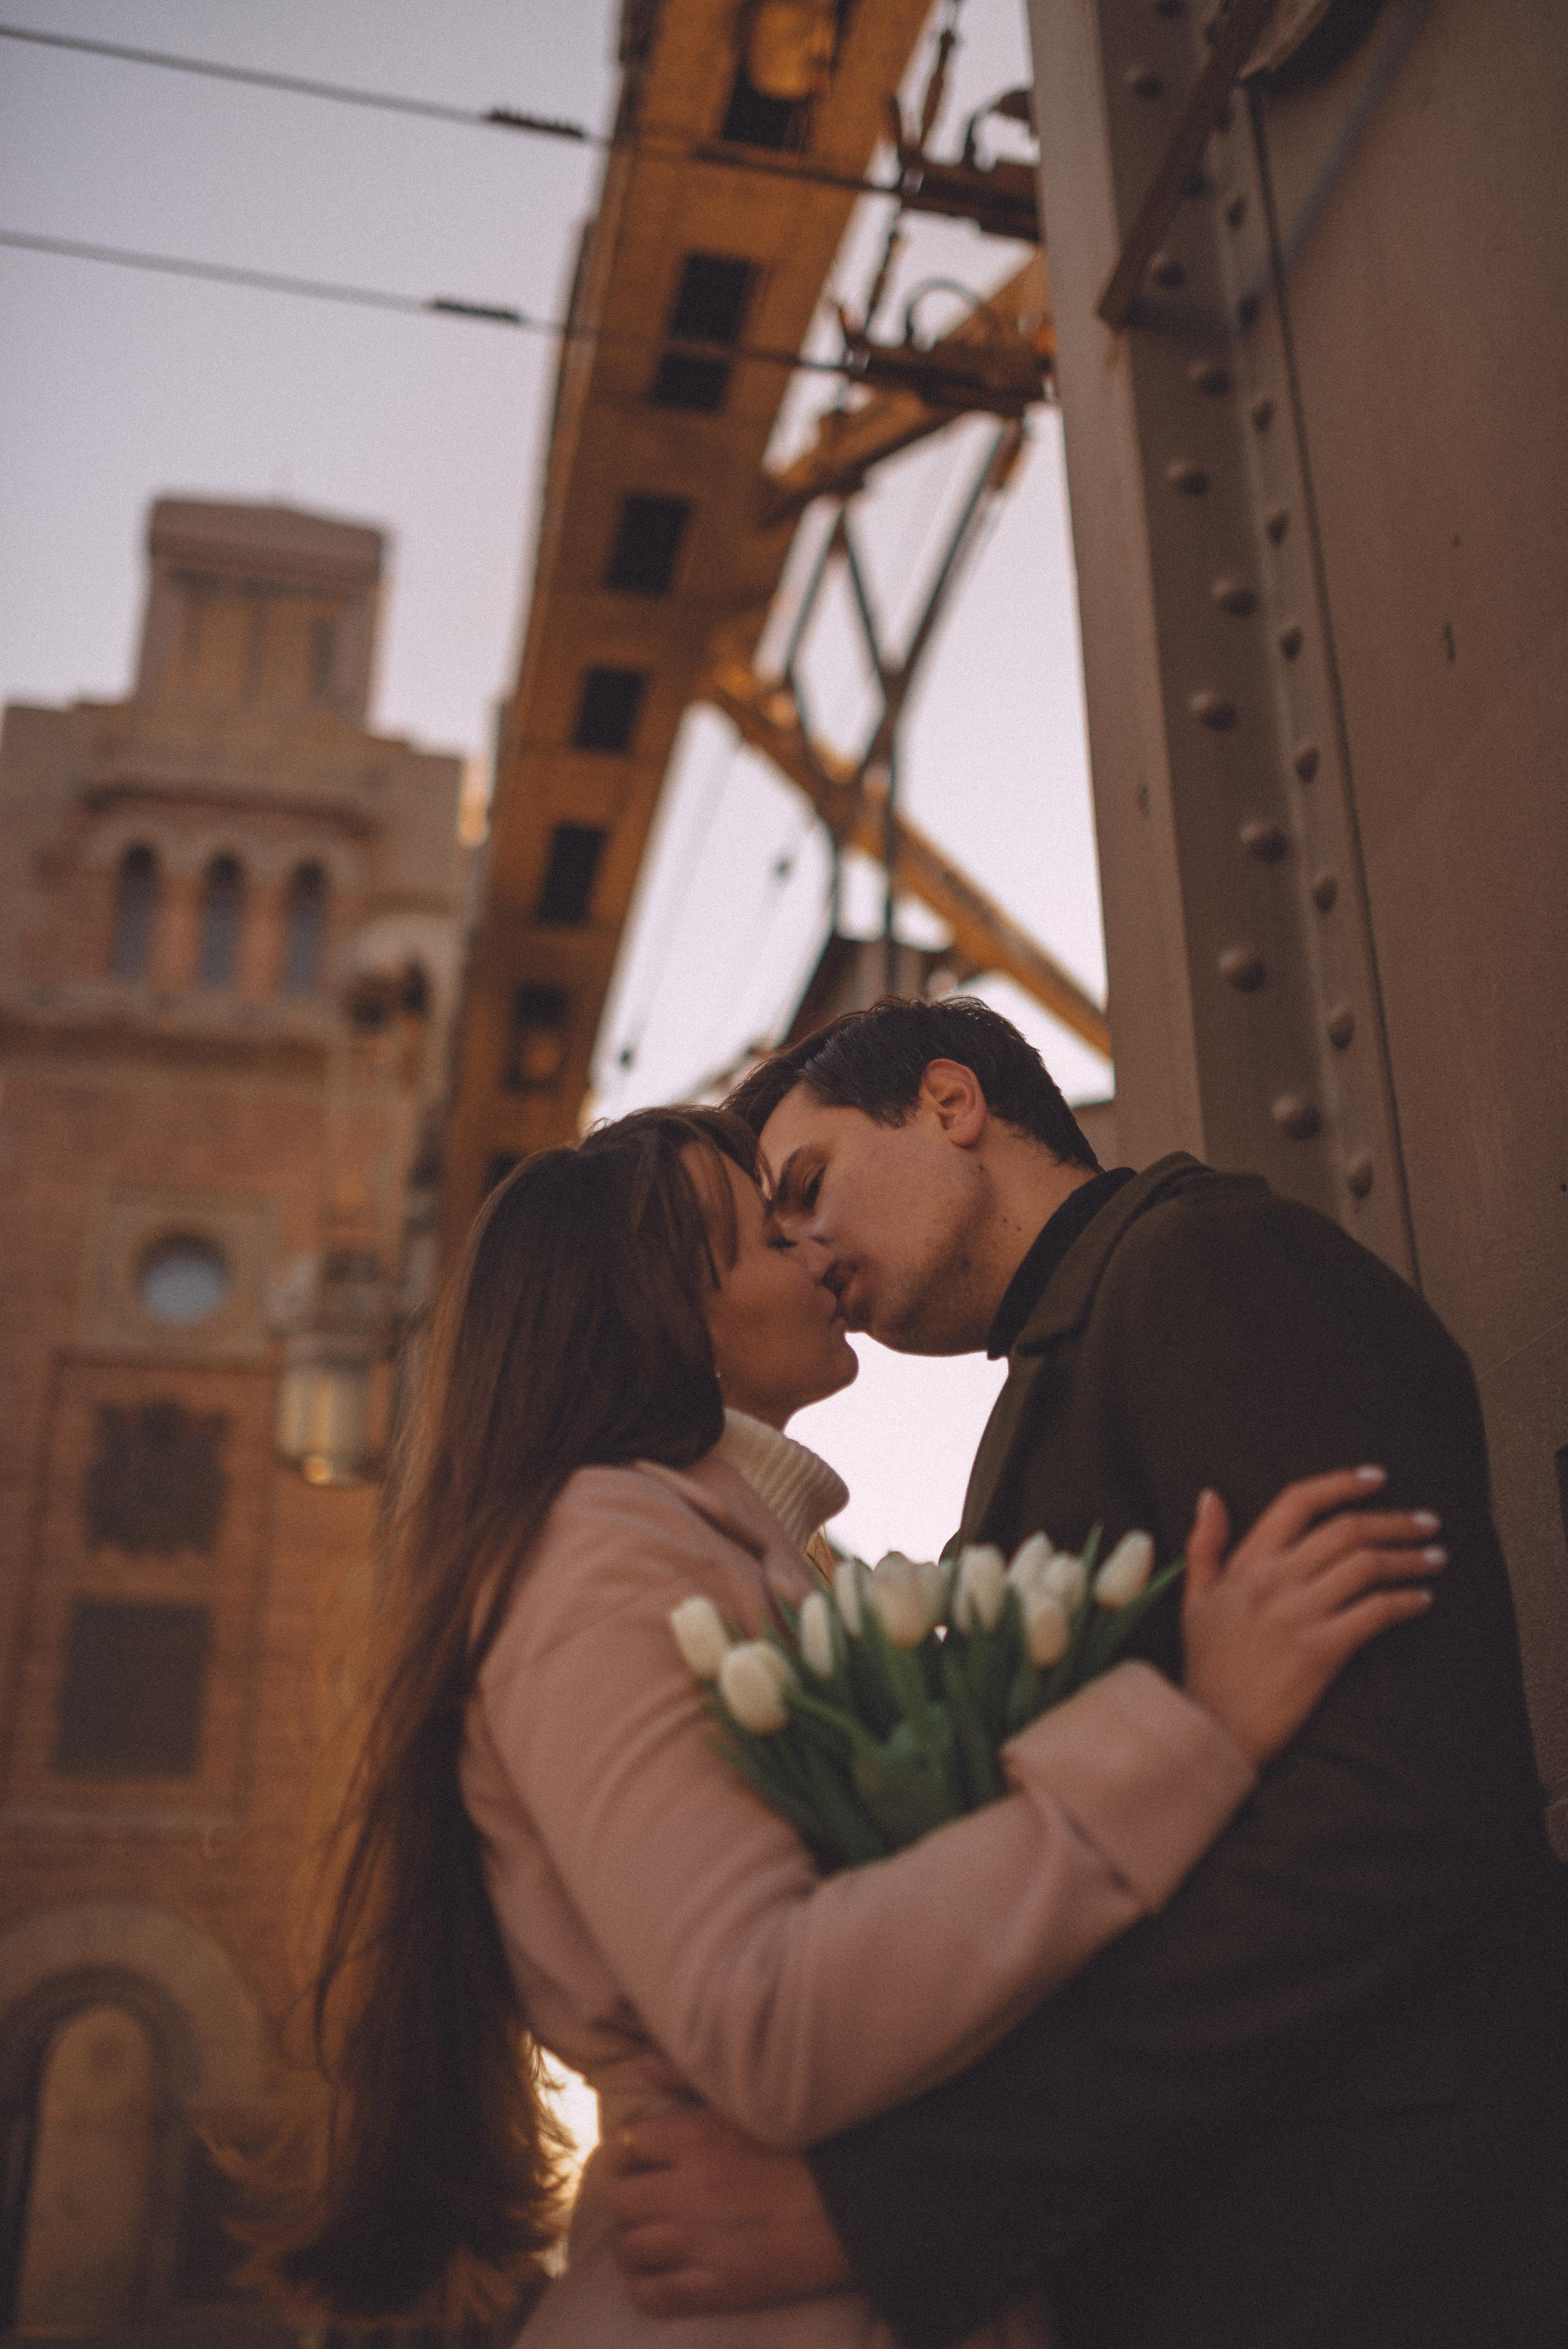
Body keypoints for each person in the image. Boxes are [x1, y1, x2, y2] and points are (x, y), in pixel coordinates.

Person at [243, 1103, 1438, 2343]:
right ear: (666, 1308)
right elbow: (761, 2008)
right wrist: (1199, 1732)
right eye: (769, 1233)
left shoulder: (718, 1553)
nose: (814, 1252)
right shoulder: (599, 1555)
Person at [605, 997, 1568, 2349]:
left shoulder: (1207, 1267)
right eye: (775, 1229)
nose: (806, 1254)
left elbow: (1395, 1806)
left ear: (952, 1105)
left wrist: (911, 2198)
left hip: (1370, 2241)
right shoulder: (1073, 1360)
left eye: (805, 1191)